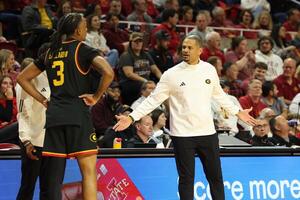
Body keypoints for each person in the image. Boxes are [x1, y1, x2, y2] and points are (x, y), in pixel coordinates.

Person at [113, 35, 256, 200]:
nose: (185, 50)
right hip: (182, 135)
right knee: (187, 179)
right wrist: (131, 118)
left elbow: (219, 96)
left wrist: (238, 112)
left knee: (215, 178)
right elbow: (152, 100)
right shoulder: (171, 74)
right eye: (184, 47)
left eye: (190, 48)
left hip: (207, 133)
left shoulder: (209, 69)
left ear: (200, 51)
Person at [16, 13, 114, 200]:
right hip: (77, 115)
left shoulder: (50, 52)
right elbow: (108, 72)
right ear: (77, 30)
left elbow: (22, 78)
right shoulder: (82, 49)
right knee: (89, 172)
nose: (86, 29)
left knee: (53, 181)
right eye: (85, 26)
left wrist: (43, 100)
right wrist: (95, 96)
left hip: (54, 117)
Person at [16, 57, 51, 200]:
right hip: (33, 141)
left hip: (51, 141)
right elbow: (22, 114)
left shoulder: (51, 78)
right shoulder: (23, 84)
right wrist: (26, 140)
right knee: (28, 186)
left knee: (48, 187)